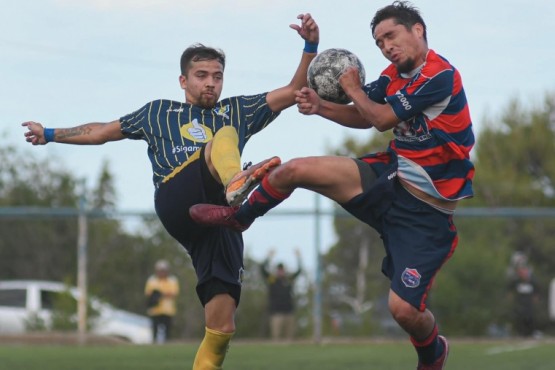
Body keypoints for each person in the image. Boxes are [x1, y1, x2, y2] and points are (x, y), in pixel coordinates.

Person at [22, 13, 319, 369]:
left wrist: (310, 47)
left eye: (217, 76)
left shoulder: (237, 109)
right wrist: (50, 133)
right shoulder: (158, 113)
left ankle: (234, 192)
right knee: (223, 137)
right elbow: (101, 131)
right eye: (202, 76)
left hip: (219, 221)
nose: (211, 83)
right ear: (183, 80)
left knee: (221, 326)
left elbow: (292, 91)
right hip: (177, 198)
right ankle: (236, 183)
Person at [190, 2, 474, 369]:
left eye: (391, 36)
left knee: (403, 311)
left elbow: (381, 118)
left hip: (426, 214)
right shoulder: (392, 76)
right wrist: (321, 106)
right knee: (294, 170)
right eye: (379, 42)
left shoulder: (440, 75)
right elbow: (363, 113)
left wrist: (350, 86)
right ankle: (239, 215)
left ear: (417, 29)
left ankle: (433, 351)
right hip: (390, 178)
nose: (386, 46)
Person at [260, 249, 302, 341]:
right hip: (276, 313)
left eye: (282, 270)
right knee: (276, 337)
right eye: (279, 270)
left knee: (290, 338)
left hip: (289, 312)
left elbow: (299, 271)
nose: (280, 271)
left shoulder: (289, 279)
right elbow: (262, 269)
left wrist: (298, 257)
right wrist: (268, 257)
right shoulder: (272, 279)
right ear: (277, 270)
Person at [145, 259, 180, 343]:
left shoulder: (172, 280)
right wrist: (164, 294)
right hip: (155, 309)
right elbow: (148, 293)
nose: (162, 272)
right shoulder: (152, 280)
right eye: (160, 270)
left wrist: (159, 294)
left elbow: (174, 293)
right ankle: (154, 345)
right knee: (154, 330)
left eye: (163, 270)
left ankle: (167, 346)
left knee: (167, 330)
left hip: (168, 310)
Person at [507, 256, 540, 337]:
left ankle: (531, 332)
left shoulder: (532, 281)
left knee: (529, 318)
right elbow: (510, 289)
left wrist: (536, 298)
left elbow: (537, 290)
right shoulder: (516, 281)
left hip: (528, 303)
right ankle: (520, 333)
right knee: (519, 318)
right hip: (519, 303)